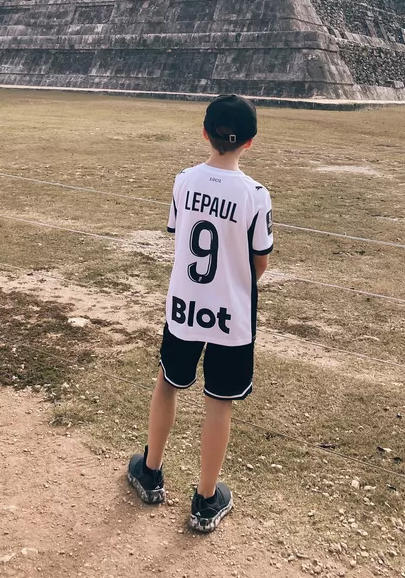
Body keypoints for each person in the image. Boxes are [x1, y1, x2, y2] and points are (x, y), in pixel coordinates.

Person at [128, 94, 273, 533]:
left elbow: (181, 235)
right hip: (231, 312)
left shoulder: (184, 180)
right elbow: (259, 262)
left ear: (204, 132)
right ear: (250, 142)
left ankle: (150, 471)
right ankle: (206, 498)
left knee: (168, 382)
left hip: (185, 304)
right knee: (219, 402)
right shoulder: (255, 195)